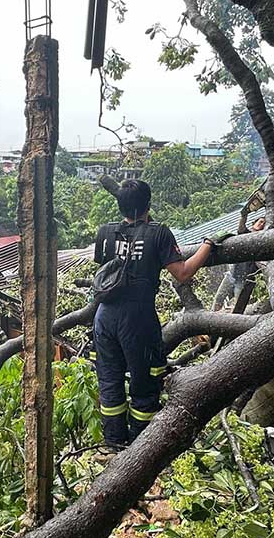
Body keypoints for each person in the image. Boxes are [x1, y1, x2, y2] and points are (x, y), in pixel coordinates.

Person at [92, 180, 226, 448]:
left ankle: (114, 444)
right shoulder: (159, 233)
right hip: (137, 320)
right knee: (145, 383)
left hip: (103, 318)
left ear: (120, 205)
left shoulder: (105, 232)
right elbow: (183, 272)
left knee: (110, 380)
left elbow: (106, 270)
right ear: (149, 204)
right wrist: (208, 245)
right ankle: (140, 448)